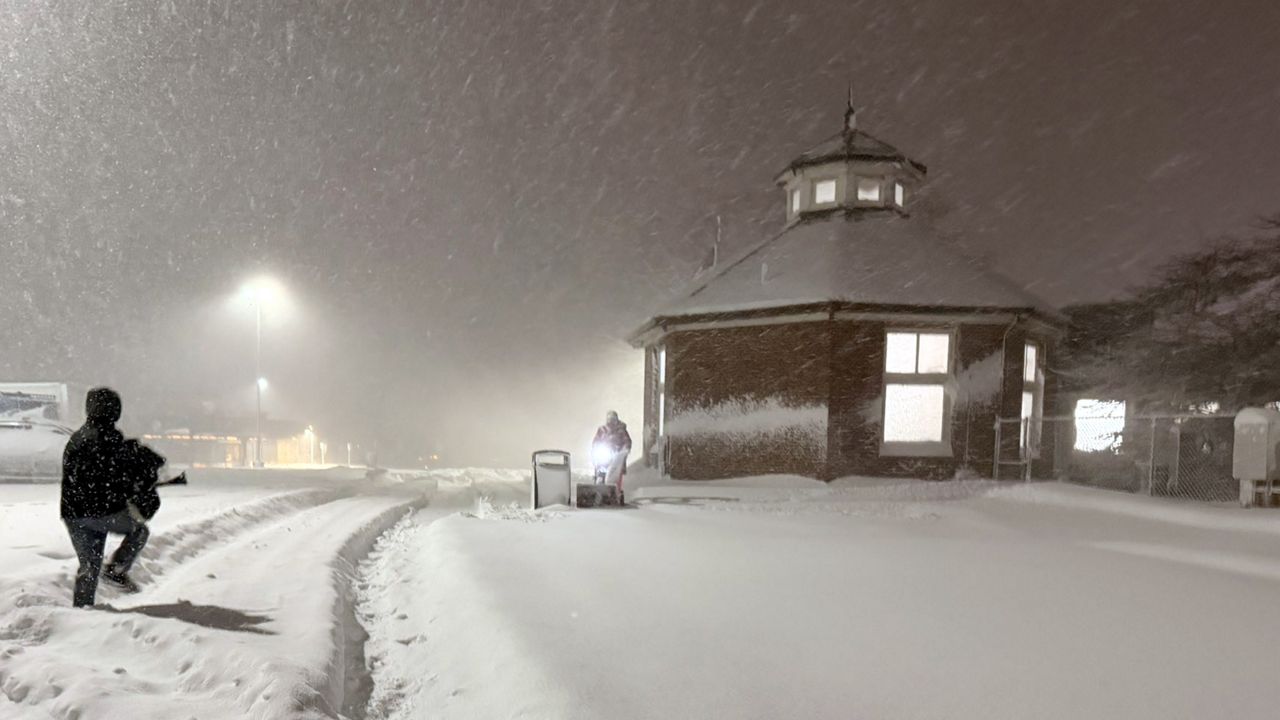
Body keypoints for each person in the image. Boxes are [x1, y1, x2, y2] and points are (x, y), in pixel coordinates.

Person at [61, 387, 150, 607]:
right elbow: (118, 477)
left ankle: (81, 612)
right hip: (103, 512)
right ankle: (116, 569)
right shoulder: (110, 438)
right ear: (115, 411)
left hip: (74, 515)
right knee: (139, 531)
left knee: (89, 567)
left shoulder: (76, 437)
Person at [592, 410, 632, 495]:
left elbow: (627, 441)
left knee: (616, 475)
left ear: (616, 419)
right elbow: (596, 441)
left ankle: (616, 491)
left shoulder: (621, 430)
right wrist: (595, 447)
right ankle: (598, 486)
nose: (611, 421)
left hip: (616, 457)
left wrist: (625, 449)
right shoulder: (602, 430)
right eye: (609, 419)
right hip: (604, 455)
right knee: (600, 469)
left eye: (613, 419)